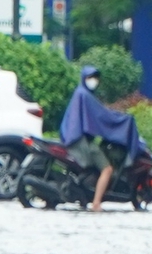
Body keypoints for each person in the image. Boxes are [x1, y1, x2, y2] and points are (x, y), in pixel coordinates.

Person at [60, 63, 146, 212]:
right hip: (81, 141)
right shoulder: (84, 95)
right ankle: (96, 203)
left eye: (95, 78)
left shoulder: (81, 93)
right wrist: (124, 120)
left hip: (76, 139)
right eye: (90, 77)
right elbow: (103, 116)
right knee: (107, 169)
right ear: (84, 78)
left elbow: (100, 113)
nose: (93, 80)